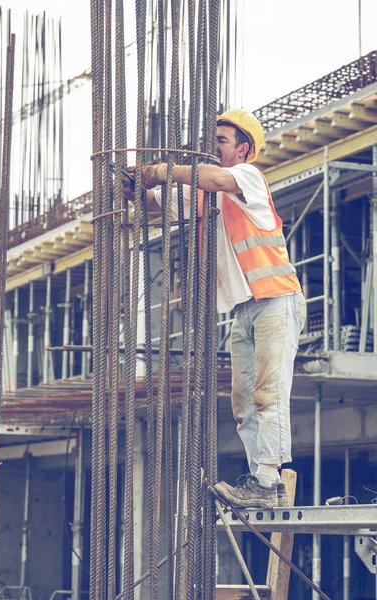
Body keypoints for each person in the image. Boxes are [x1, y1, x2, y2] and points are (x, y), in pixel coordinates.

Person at [122, 109, 307, 509]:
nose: (212, 148)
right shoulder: (206, 194)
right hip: (245, 309)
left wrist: (159, 170)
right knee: (244, 400)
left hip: (276, 298)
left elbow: (214, 178)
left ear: (243, 149)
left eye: (220, 141)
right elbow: (158, 204)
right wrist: (134, 187)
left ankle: (266, 482)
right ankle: (264, 482)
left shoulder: (246, 178)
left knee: (268, 395)